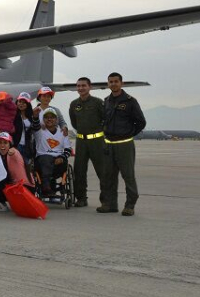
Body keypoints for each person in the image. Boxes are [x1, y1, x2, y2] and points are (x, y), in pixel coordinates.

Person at [100, 72, 146, 216]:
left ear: (122, 83)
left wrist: (128, 133)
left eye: (116, 81)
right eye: (111, 82)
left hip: (124, 144)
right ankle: (109, 204)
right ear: (108, 84)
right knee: (108, 176)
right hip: (109, 144)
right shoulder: (106, 101)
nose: (113, 84)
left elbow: (141, 122)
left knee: (128, 176)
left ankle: (130, 205)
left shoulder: (130, 101)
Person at [69, 77, 106, 208]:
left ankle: (106, 200)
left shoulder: (98, 102)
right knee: (79, 171)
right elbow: (74, 123)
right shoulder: (74, 104)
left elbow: (105, 120)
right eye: (78, 86)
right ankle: (81, 199)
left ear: (89, 87)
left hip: (97, 141)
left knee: (102, 171)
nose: (80, 88)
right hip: (81, 141)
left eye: (83, 86)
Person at [0, 132, 35, 212]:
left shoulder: (12, 152)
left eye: (5, 143)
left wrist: (12, 151)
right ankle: (2, 203)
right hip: (19, 187)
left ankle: (3, 203)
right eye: (0, 143)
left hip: (25, 189)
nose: (2, 145)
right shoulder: (2, 157)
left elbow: (14, 152)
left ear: (10, 144)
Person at [32, 108, 72, 198]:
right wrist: (35, 116)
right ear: (43, 119)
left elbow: (68, 149)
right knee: (46, 158)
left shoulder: (62, 132)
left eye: (52, 117)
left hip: (58, 162)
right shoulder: (39, 131)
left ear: (56, 120)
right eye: (46, 117)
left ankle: (49, 186)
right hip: (42, 161)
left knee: (61, 162)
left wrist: (62, 157)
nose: (49, 119)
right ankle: (46, 187)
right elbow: (35, 125)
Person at [13, 92, 35, 164]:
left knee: (27, 168)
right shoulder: (13, 115)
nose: (21, 104)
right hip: (16, 146)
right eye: (20, 101)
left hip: (27, 147)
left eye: (24, 102)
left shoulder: (31, 117)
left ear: (28, 104)